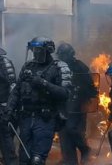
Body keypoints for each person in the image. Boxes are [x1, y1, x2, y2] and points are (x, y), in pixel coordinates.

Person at [6, 36, 72, 165]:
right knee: (24, 159)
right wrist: (9, 109)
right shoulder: (28, 66)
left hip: (45, 119)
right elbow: (17, 90)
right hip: (25, 118)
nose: (35, 53)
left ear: (48, 51)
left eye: (39, 50)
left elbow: (65, 93)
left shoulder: (58, 67)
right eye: (33, 50)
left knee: (37, 160)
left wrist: (42, 83)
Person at [56, 42, 98, 165]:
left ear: (70, 54)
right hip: (63, 106)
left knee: (73, 130)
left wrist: (82, 96)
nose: (62, 57)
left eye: (64, 55)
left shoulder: (80, 67)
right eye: (60, 55)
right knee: (63, 134)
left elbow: (91, 87)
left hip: (77, 108)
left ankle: (85, 150)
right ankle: (69, 160)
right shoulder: (57, 67)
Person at [0, 47, 18, 165]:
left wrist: (7, 107)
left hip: (4, 108)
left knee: (5, 138)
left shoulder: (5, 64)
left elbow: (12, 87)